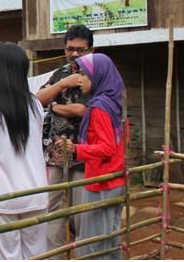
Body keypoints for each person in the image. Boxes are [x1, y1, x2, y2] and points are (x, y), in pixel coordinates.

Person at [0, 42, 48, 259]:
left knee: (7, 255)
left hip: (3, 194)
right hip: (36, 191)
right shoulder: (36, 105)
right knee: (37, 253)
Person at [36, 24, 93, 256]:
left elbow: (82, 110)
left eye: (81, 49)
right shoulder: (59, 74)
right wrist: (62, 85)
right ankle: (54, 255)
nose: (75, 54)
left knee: (81, 209)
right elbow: (38, 98)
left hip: (84, 151)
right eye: (70, 49)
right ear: (64, 48)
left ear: (91, 49)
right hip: (55, 151)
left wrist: (55, 105)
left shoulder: (96, 74)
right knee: (52, 207)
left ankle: (84, 255)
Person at [64, 53, 126, 260]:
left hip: (102, 181)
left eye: (84, 74)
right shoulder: (112, 102)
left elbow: (107, 148)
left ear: (97, 76)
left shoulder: (99, 108)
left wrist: (76, 149)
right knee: (110, 238)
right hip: (113, 178)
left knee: (94, 243)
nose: (79, 78)